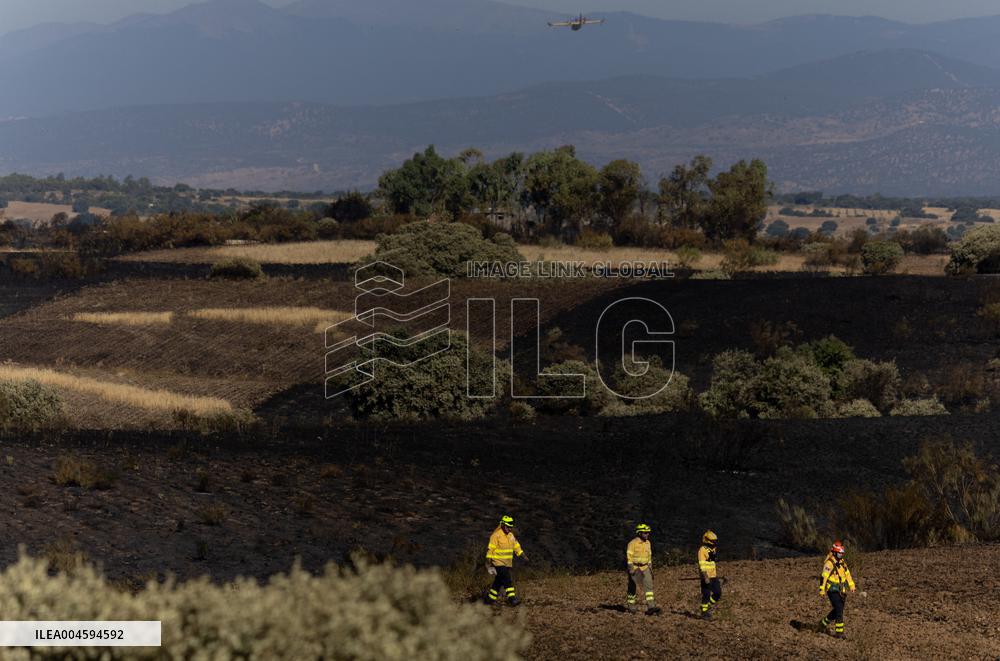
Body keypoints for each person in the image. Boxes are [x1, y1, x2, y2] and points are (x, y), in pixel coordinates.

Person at [485, 515, 527, 606]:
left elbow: (516, 546)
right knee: (507, 579)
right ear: (503, 525)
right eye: (508, 527)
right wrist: (488, 564)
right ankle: (512, 599)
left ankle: (490, 599)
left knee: (498, 581)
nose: (509, 529)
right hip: (498, 562)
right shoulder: (496, 535)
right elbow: (490, 550)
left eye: (511, 527)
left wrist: (522, 555)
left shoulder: (511, 535)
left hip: (507, 563)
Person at [819, 540, 856, 638]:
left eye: (842, 554)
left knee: (837, 610)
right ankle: (839, 633)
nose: (841, 555)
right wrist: (822, 589)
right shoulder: (829, 563)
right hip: (832, 590)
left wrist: (851, 585)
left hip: (841, 590)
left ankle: (822, 624)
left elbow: (847, 574)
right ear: (835, 552)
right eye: (839, 553)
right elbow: (824, 577)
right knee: (839, 610)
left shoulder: (842, 563)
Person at [626, 523, 659, 614]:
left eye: (648, 533)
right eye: (645, 533)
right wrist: (631, 569)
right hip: (635, 567)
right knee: (633, 587)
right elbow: (629, 558)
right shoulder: (632, 543)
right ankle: (631, 605)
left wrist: (651, 569)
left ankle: (651, 607)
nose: (647, 534)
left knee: (649, 587)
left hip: (645, 567)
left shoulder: (648, 543)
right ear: (639, 533)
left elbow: (649, 557)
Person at [698, 530, 722, 619]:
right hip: (706, 576)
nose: (715, 543)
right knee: (706, 594)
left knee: (717, 593)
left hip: (713, 576)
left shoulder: (713, 549)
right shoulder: (702, 550)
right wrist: (705, 577)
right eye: (713, 541)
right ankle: (704, 612)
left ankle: (707, 605)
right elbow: (702, 565)